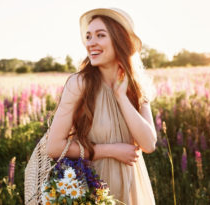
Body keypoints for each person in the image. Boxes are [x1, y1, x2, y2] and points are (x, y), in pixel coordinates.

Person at [46, 8, 156, 205]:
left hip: (133, 188)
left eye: (100, 35)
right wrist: (110, 150)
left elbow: (148, 144)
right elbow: (53, 147)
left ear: (120, 40)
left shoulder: (137, 86)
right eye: (88, 36)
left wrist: (121, 96)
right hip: (93, 187)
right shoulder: (79, 84)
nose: (91, 43)